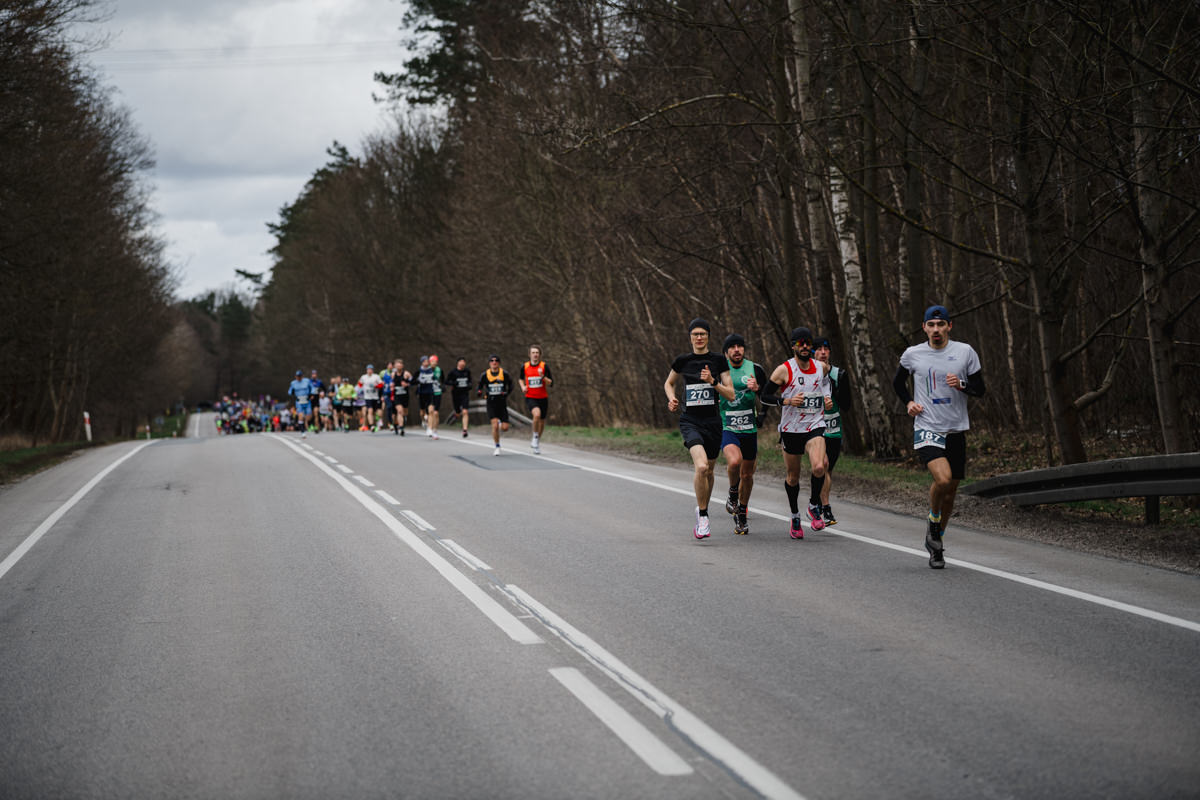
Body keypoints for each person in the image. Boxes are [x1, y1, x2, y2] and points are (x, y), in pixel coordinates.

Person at [893, 305, 985, 569]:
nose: (936, 329)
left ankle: (936, 544)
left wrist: (962, 384)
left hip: (955, 429)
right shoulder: (913, 354)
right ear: (924, 328)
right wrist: (909, 403)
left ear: (949, 326)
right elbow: (898, 383)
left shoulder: (965, 352)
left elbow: (980, 388)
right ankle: (933, 522)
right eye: (931, 325)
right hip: (927, 427)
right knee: (942, 479)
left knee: (951, 491)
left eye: (940, 324)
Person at [664, 318, 735, 539]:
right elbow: (669, 383)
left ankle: (702, 508)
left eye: (703, 333)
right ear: (690, 337)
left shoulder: (718, 361)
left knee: (710, 471)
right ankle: (703, 516)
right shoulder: (683, 361)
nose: (699, 337)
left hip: (713, 422)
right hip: (690, 421)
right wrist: (671, 398)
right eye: (695, 334)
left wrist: (713, 382)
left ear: (708, 336)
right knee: (702, 467)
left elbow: (731, 394)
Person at [762, 327, 833, 539]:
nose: (804, 347)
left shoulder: (821, 367)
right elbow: (764, 396)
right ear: (793, 346)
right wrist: (786, 401)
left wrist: (827, 398)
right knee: (793, 477)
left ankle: (813, 505)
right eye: (800, 343)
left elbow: (825, 384)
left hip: (814, 424)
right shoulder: (783, 370)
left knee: (819, 467)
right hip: (791, 429)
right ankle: (795, 515)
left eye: (807, 343)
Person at [719, 333, 769, 535]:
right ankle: (733, 493)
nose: (737, 350)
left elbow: (766, 396)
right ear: (726, 352)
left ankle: (741, 514)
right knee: (734, 462)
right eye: (732, 347)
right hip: (727, 425)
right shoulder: (720, 369)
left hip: (749, 428)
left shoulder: (755, 369)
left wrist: (757, 391)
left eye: (740, 346)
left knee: (747, 475)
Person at [813, 335, 850, 526]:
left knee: (827, 469)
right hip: (814, 428)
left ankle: (817, 502)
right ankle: (825, 507)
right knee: (823, 464)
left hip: (833, 429)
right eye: (819, 349)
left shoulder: (839, 374)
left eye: (826, 349)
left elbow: (847, 405)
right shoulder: (806, 374)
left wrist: (835, 390)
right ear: (813, 353)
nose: (823, 353)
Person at [519, 345, 553, 454]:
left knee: (542, 422)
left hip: (543, 398)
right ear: (529, 355)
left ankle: (537, 442)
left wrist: (543, 377)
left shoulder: (544, 366)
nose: (535, 355)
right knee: (536, 415)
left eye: (537, 353)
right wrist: (523, 387)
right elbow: (520, 379)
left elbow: (551, 383)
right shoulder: (524, 366)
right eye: (533, 353)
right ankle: (534, 436)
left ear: (540, 355)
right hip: (530, 397)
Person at [478, 354, 514, 455]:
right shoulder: (484, 375)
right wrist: (479, 392)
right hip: (491, 403)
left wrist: (507, 393)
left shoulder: (504, 374)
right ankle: (497, 446)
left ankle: (500, 424)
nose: (494, 362)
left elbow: (511, 385)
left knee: (505, 428)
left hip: (502, 403)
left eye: (496, 360)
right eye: (492, 361)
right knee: (494, 426)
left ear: (499, 363)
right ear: (489, 363)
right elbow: (480, 385)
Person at [447, 357, 472, 437]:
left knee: (465, 412)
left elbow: (470, 381)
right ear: (458, 363)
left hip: (465, 394)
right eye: (461, 362)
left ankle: (465, 430)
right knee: (458, 412)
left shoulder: (467, 371)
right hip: (455, 394)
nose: (462, 363)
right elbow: (446, 381)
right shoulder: (453, 372)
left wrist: (469, 385)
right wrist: (453, 383)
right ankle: (456, 415)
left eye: (463, 362)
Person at [287, 369, 313, 439]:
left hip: (307, 401)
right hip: (299, 401)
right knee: (300, 416)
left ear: (302, 376)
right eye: (297, 376)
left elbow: (312, 388)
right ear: (295, 376)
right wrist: (292, 392)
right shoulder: (293, 383)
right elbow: (289, 392)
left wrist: (311, 394)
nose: (298, 377)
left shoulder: (307, 381)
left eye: (300, 376)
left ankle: (306, 422)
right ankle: (303, 432)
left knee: (309, 417)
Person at [390, 358, 413, 435]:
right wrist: (391, 386)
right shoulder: (393, 375)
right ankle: (401, 428)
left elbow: (413, 382)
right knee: (399, 411)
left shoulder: (407, 374)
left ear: (402, 366)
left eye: (400, 365)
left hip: (405, 396)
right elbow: (389, 384)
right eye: (397, 366)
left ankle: (402, 420)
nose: (398, 367)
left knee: (405, 412)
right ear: (395, 366)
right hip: (397, 396)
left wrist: (407, 384)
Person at [358, 364, 384, 431]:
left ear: (372, 370)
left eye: (371, 369)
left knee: (376, 413)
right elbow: (359, 384)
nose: (369, 371)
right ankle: (372, 425)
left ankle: (377, 422)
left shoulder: (376, 376)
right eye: (368, 369)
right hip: (367, 397)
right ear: (366, 370)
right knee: (370, 411)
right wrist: (361, 388)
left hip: (375, 397)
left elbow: (381, 384)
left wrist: (376, 386)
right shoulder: (363, 377)